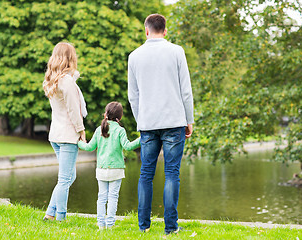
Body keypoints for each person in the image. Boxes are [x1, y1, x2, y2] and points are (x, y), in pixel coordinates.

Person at [128, 13, 194, 235]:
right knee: (172, 174)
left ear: (146, 31)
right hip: (174, 121)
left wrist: (141, 119)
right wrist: (189, 120)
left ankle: (143, 227)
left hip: (148, 123)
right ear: (165, 31)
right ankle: (170, 228)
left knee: (146, 173)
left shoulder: (134, 56)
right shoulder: (176, 51)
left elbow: (133, 96)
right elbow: (186, 91)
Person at [78, 101, 140, 229]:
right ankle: (110, 224)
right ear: (120, 117)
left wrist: (79, 143)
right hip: (116, 170)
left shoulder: (98, 130)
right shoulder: (120, 130)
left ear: (105, 114)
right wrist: (141, 139)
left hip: (101, 170)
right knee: (113, 198)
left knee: (101, 197)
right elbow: (128, 146)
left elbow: (90, 147)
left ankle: (101, 225)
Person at [42, 42, 87, 221]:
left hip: (56, 134)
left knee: (68, 177)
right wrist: (81, 130)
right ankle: (60, 217)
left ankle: (50, 214)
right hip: (67, 135)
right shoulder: (66, 81)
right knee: (65, 179)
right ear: (70, 58)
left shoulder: (52, 80)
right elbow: (73, 110)